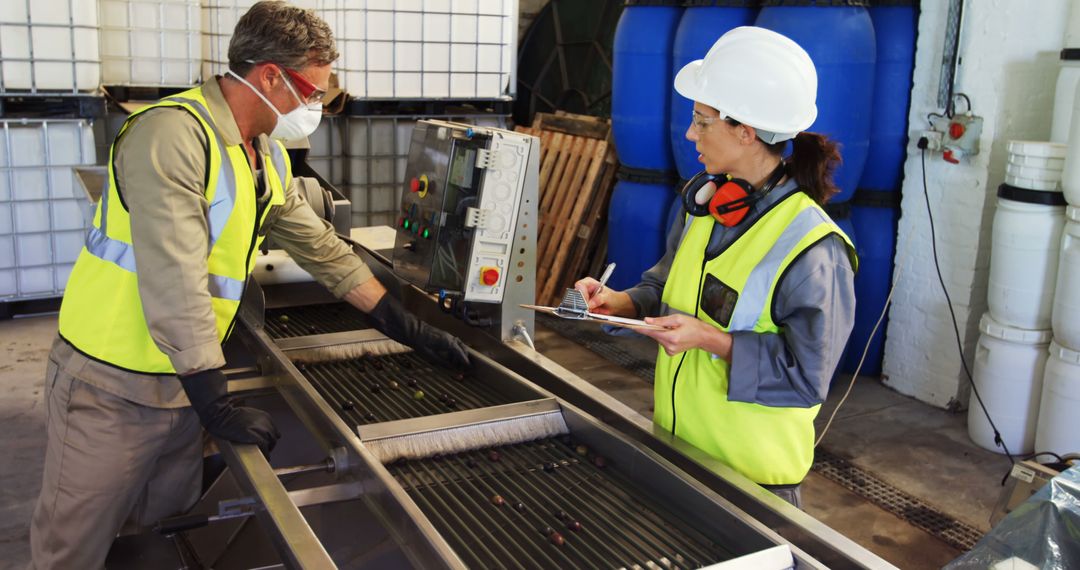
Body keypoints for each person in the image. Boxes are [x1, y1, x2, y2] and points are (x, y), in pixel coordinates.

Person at [29, 2, 469, 567]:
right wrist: (215, 398)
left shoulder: (265, 156)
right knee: (73, 547)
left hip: (183, 385)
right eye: (311, 94)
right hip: (113, 387)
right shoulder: (173, 136)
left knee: (163, 535)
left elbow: (322, 249)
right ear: (268, 76)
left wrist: (402, 322)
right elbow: (174, 276)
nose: (313, 108)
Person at [576, 26, 857, 508]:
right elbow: (668, 285)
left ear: (746, 131)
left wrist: (710, 339)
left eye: (702, 121)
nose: (690, 134)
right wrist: (621, 303)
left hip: (752, 486)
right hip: (679, 452)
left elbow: (807, 378)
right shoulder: (709, 204)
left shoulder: (813, 250)